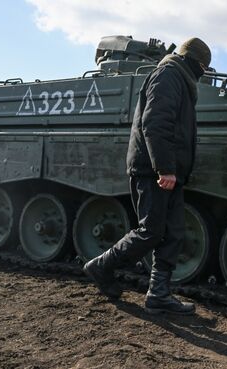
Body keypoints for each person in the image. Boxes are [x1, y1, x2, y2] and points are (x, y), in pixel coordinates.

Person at [83, 37, 211, 315]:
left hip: (169, 171)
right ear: (192, 61)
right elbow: (155, 122)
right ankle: (101, 266)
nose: (203, 72)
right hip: (153, 170)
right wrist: (164, 168)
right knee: (150, 231)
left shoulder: (179, 77)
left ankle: (158, 294)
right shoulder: (168, 75)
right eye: (202, 66)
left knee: (173, 233)